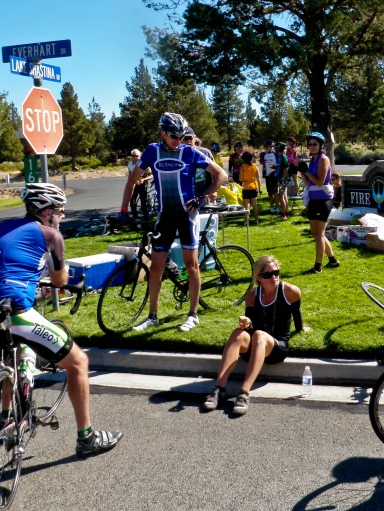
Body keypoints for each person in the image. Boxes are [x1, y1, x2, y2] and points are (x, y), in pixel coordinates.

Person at [0, 183, 123, 457]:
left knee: (12, 354)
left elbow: (9, 262)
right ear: (47, 211)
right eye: (61, 212)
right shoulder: (51, 235)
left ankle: (4, 417)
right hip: (15, 312)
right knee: (78, 362)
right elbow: (59, 280)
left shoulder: (3, 227)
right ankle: (86, 438)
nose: (62, 217)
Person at [119, 112, 227, 333]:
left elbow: (221, 175)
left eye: (181, 135)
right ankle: (152, 316)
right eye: (173, 136)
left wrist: (203, 197)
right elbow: (132, 180)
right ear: (162, 134)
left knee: (191, 265)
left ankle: (192, 314)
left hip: (187, 216)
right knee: (157, 267)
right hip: (165, 216)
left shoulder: (190, 152)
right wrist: (123, 210)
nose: (178, 140)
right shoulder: (151, 151)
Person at [202, 256, 310, 416]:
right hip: (256, 345)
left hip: (277, 348)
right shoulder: (252, 295)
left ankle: (243, 393)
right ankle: (219, 389)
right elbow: (251, 328)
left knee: (260, 335)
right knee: (237, 333)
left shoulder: (291, 291)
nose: (273, 277)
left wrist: (301, 328)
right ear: (258, 277)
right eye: (268, 275)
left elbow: (296, 313)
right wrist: (247, 323)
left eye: (276, 272)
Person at [297, 132, 340, 273]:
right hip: (314, 199)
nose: (312, 146)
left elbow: (320, 182)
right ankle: (332, 260)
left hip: (323, 200)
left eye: (315, 144)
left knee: (319, 235)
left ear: (321, 145)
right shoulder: (313, 160)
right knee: (316, 234)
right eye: (310, 144)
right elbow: (308, 183)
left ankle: (317, 266)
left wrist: (307, 171)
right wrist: (302, 172)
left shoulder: (323, 159)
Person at [127, 149, 151, 227]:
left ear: (140, 156)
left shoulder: (144, 164)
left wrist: (144, 179)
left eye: (136, 156)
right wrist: (129, 183)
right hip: (134, 184)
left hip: (143, 183)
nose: (135, 157)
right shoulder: (130, 164)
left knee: (143, 201)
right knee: (132, 199)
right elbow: (130, 174)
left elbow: (151, 175)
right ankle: (135, 217)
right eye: (133, 156)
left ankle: (146, 217)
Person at [239, 151, 261, 225]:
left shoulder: (242, 167)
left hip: (245, 187)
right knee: (255, 205)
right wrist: (260, 188)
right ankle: (256, 220)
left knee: (246, 206)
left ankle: (246, 221)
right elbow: (258, 179)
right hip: (254, 187)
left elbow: (240, 179)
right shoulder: (255, 167)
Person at [262, 139, 279, 213]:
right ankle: (271, 208)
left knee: (275, 192)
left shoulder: (275, 154)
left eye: (267, 146)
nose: (266, 148)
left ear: (271, 146)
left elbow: (277, 166)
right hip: (267, 176)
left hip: (274, 175)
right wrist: (264, 172)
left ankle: (277, 208)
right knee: (269, 193)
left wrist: (271, 166)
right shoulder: (264, 154)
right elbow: (264, 165)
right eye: (265, 147)